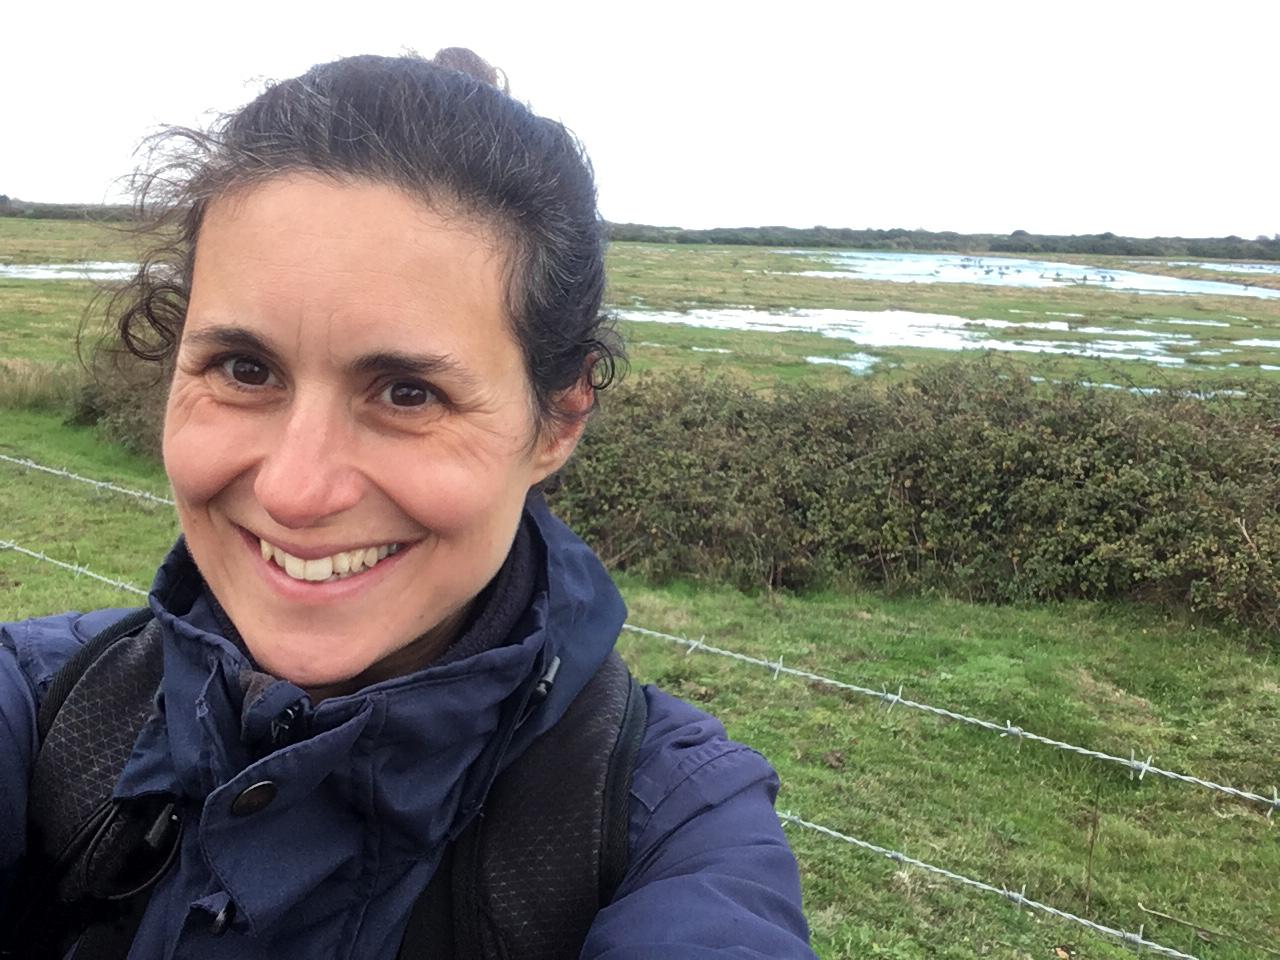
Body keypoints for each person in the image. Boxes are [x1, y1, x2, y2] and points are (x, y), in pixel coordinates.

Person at [0, 50, 815, 958]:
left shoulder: (670, 827)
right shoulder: (42, 708)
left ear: (560, 419)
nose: (295, 491)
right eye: (245, 369)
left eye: (408, 394)